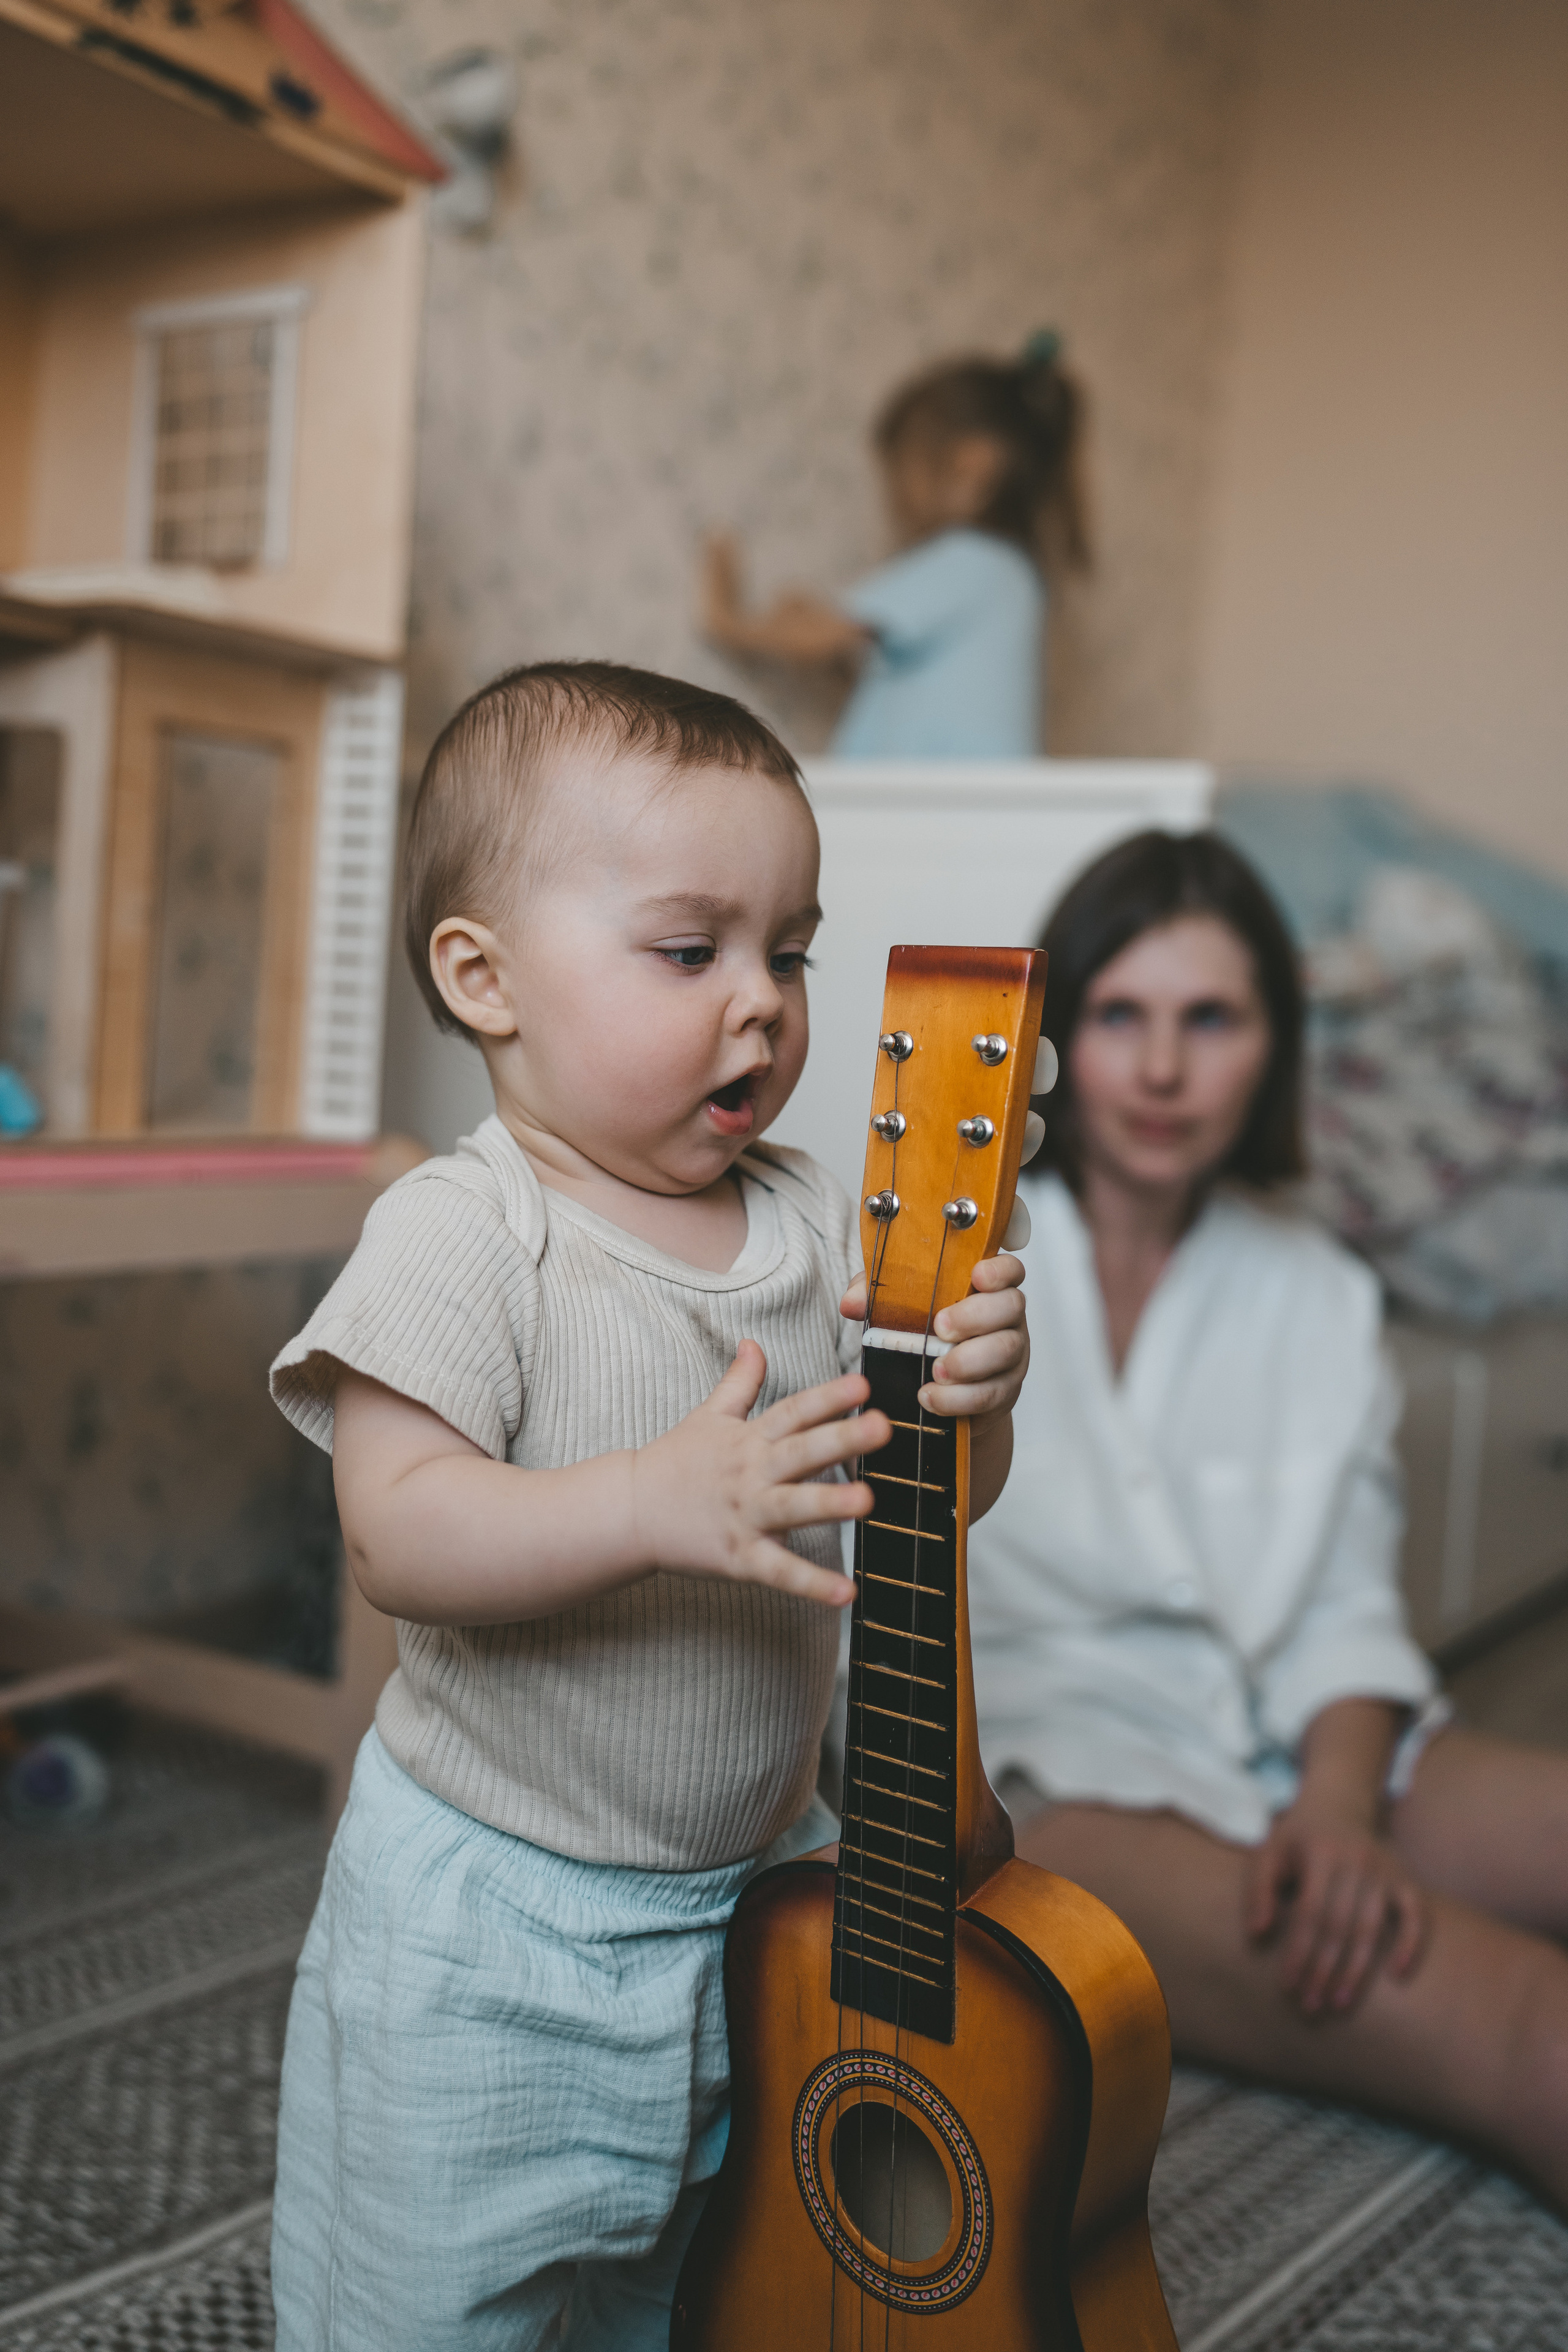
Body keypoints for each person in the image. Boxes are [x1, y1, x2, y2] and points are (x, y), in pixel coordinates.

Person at [266, 660, 1030, 2350]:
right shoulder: (466, 1234)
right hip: (492, 1937)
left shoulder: (822, 1223)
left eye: (792, 950)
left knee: (685, 2287)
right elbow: (401, 1534)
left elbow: (931, 1511)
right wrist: (649, 1500)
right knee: (426, 2305)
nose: (759, 1001)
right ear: (486, 980)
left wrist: (982, 1396)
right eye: (692, 952)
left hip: (761, 1895)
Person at [968, 827, 1568, 2211]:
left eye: (1209, 1017)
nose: (1163, 1069)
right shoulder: (953, 1248)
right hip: (1055, 1790)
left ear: (1270, 1042)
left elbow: (1342, 1604)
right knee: (1526, 2025)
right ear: (1057, 1026)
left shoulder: (1314, 1287)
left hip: (1279, 1726)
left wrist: (1342, 1809)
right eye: (1120, 1015)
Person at [701, 333, 1089, 758]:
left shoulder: (971, 559)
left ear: (970, 468)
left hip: (944, 800)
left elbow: (821, 637)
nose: (895, 503)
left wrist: (730, 619)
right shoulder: (1009, 574)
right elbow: (888, 670)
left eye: (901, 475)